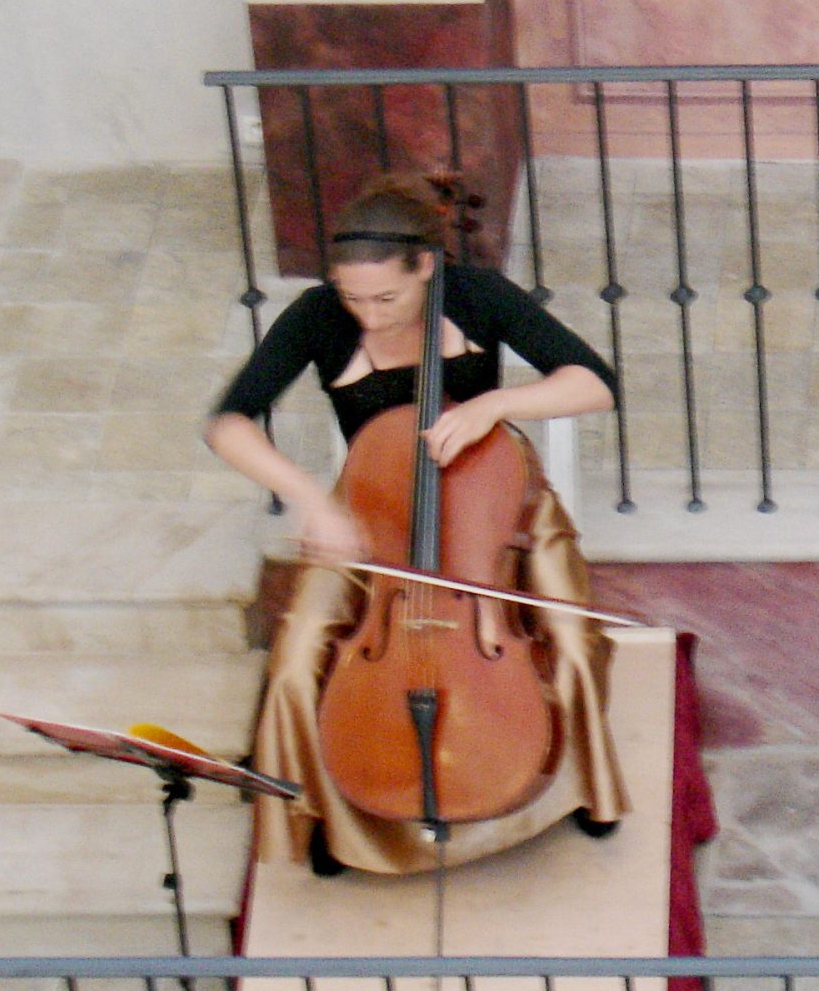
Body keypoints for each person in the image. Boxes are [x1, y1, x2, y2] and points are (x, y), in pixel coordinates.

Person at [205, 171, 626, 876]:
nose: (369, 317)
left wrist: (495, 406)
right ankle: (335, 819)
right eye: (353, 298)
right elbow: (229, 422)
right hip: (371, 511)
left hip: (493, 503)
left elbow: (594, 384)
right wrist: (312, 500)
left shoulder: (478, 295)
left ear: (425, 266)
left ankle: (580, 784)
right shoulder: (317, 315)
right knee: (297, 659)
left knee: (572, 641)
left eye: (387, 298)